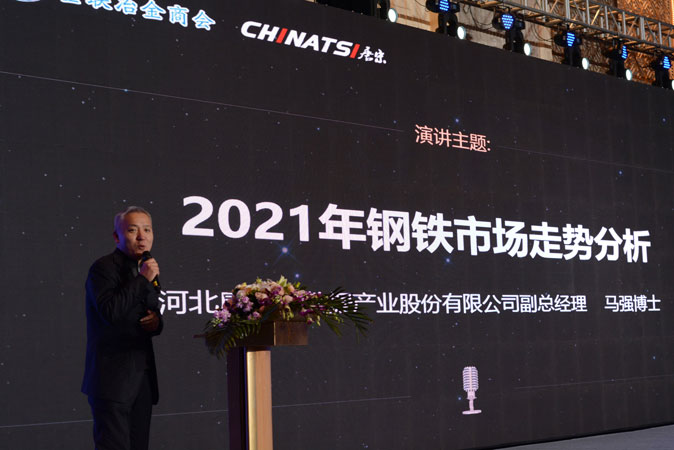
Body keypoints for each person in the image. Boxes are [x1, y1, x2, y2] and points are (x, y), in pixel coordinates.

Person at [82, 206, 163, 450]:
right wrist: (142, 279)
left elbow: (149, 312)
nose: (141, 236)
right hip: (112, 380)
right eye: (132, 230)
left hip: (141, 379)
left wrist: (156, 322)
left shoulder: (146, 268)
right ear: (117, 236)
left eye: (147, 230)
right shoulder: (103, 268)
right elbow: (110, 312)